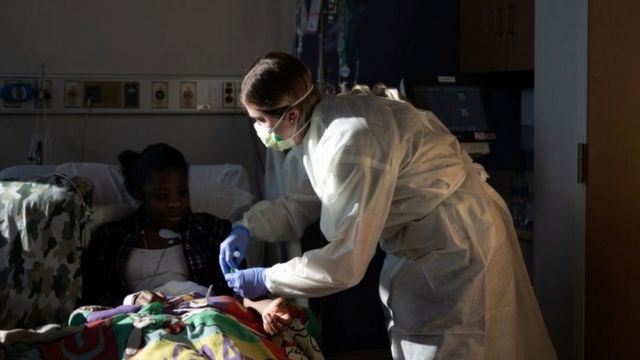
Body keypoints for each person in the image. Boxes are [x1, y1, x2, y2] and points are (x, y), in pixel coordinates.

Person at [220, 52, 557, 359]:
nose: (259, 129)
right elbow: (299, 202)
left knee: (461, 345)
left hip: (457, 246)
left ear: (290, 114)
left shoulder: (350, 140)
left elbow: (344, 263)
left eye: (259, 120)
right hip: (423, 246)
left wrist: (268, 278)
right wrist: (247, 227)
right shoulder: (316, 129)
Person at [81, 143, 291, 335]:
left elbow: (235, 291)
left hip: (204, 320)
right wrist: (132, 300)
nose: (175, 203)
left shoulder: (209, 231)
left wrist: (264, 308)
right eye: (162, 196)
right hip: (141, 324)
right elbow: (95, 300)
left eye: (182, 193)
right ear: (139, 193)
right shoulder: (112, 238)